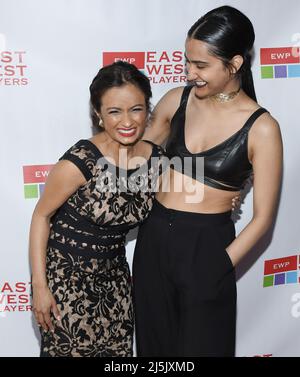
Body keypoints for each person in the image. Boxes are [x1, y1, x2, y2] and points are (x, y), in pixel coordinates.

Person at [133, 5, 283, 357]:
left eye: (201, 65)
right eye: (188, 61)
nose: (189, 72)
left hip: (207, 246)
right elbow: (134, 163)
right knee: (154, 351)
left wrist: (218, 265)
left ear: (234, 64)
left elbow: (263, 220)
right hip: (153, 240)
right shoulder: (176, 100)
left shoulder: (262, 128)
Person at [29, 61, 165, 357]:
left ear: (148, 109)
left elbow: (185, 196)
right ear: (98, 115)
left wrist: (226, 199)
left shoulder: (157, 160)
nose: (127, 121)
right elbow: (41, 216)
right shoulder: (80, 162)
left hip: (116, 282)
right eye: (115, 111)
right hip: (67, 283)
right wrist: (39, 286)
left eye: (136, 109)